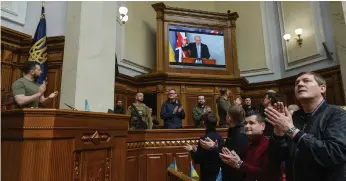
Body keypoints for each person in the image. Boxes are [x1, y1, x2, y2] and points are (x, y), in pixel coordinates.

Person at [265, 72, 346, 181]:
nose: (299, 84)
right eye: (297, 83)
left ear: (322, 88)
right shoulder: (294, 117)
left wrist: (292, 131)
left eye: (306, 81)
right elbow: (277, 157)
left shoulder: (337, 114)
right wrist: (278, 132)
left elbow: (334, 154)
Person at [220, 113, 281, 181]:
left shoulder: (269, 145)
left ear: (263, 126)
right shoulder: (249, 145)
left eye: (251, 123)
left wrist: (239, 163)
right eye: (245, 123)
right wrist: (233, 161)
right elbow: (245, 171)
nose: (246, 126)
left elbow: (266, 174)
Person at [183, 113, 224, 181]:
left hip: (207, 174)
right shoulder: (220, 138)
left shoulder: (204, 138)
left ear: (204, 123)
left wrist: (192, 151)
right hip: (219, 173)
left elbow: (198, 159)